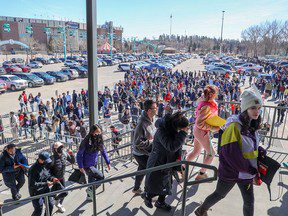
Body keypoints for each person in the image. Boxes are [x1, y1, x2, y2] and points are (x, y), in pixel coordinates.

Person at [195, 87, 266, 216]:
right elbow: (230, 155)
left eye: (258, 108)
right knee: (219, 195)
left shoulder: (252, 124)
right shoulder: (234, 126)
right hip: (232, 172)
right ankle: (201, 210)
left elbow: (248, 146)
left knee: (249, 202)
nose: (257, 111)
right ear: (245, 109)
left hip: (246, 173)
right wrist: (250, 169)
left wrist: (259, 150)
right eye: (253, 108)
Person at [142, 112, 189, 211]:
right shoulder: (162, 131)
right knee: (155, 184)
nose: (182, 131)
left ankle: (160, 202)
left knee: (167, 184)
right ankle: (147, 195)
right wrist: (183, 133)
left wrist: (179, 159)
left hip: (168, 162)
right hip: (158, 162)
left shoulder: (172, 130)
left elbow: (177, 147)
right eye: (181, 129)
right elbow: (171, 146)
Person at [186, 85, 220, 180]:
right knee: (211, 153)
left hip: (197, 131)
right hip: (202, 131)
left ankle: (183, 167)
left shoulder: (203, 100)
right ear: (213, 95)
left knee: (196, 151)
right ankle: (201, 174)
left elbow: (199, 102)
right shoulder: (206, 106)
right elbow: (200, 123)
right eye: (216, 93)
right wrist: (214, 128)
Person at [76, 124, 111, 201]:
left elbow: (103, 150)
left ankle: (89, 195)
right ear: (92, 132)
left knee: (91, 179)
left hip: (94, 162)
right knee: (101, 177)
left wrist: (108, 162)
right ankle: (90, 190)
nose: (97, 135)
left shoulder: (99, 139)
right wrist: (80, 166)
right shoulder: (86, 141)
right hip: (87, 165)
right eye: (96, 133)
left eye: (99, 133)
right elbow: (79, 154)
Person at [132, 99, 157, 194]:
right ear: (149, 110)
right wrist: (151, 142)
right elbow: (137, 142)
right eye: (155, 108)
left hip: (146, 152)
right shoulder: (141, 124)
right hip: (141, 153)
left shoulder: (152, 119)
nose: (157, 109)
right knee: (151, 171)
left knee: (142, 169)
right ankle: (149, 193)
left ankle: (136, 188)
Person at [28, 151, 58, 216]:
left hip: (45, 189)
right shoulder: (33, 169)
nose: (47, 163)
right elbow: (32, 184)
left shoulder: (44, 165)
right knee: (38, 210)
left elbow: (47, 175)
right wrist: (46, 184)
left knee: (50, 205)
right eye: (45, 161)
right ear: (40, 160)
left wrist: (52, 178)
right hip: (36, 192)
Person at [49, 142, 75, 213]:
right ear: (54, 149)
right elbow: (48, 171)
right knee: (52, 194)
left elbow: (72, 161)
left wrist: (71, 154)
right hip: (55, 180)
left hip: (62, 178)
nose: (61, 149)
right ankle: (50, 205)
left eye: (61, 147)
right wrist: (51, 179)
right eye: (59, 148)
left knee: (63, 193)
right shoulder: (52, 158)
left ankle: (58, 203)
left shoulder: (64, 154)